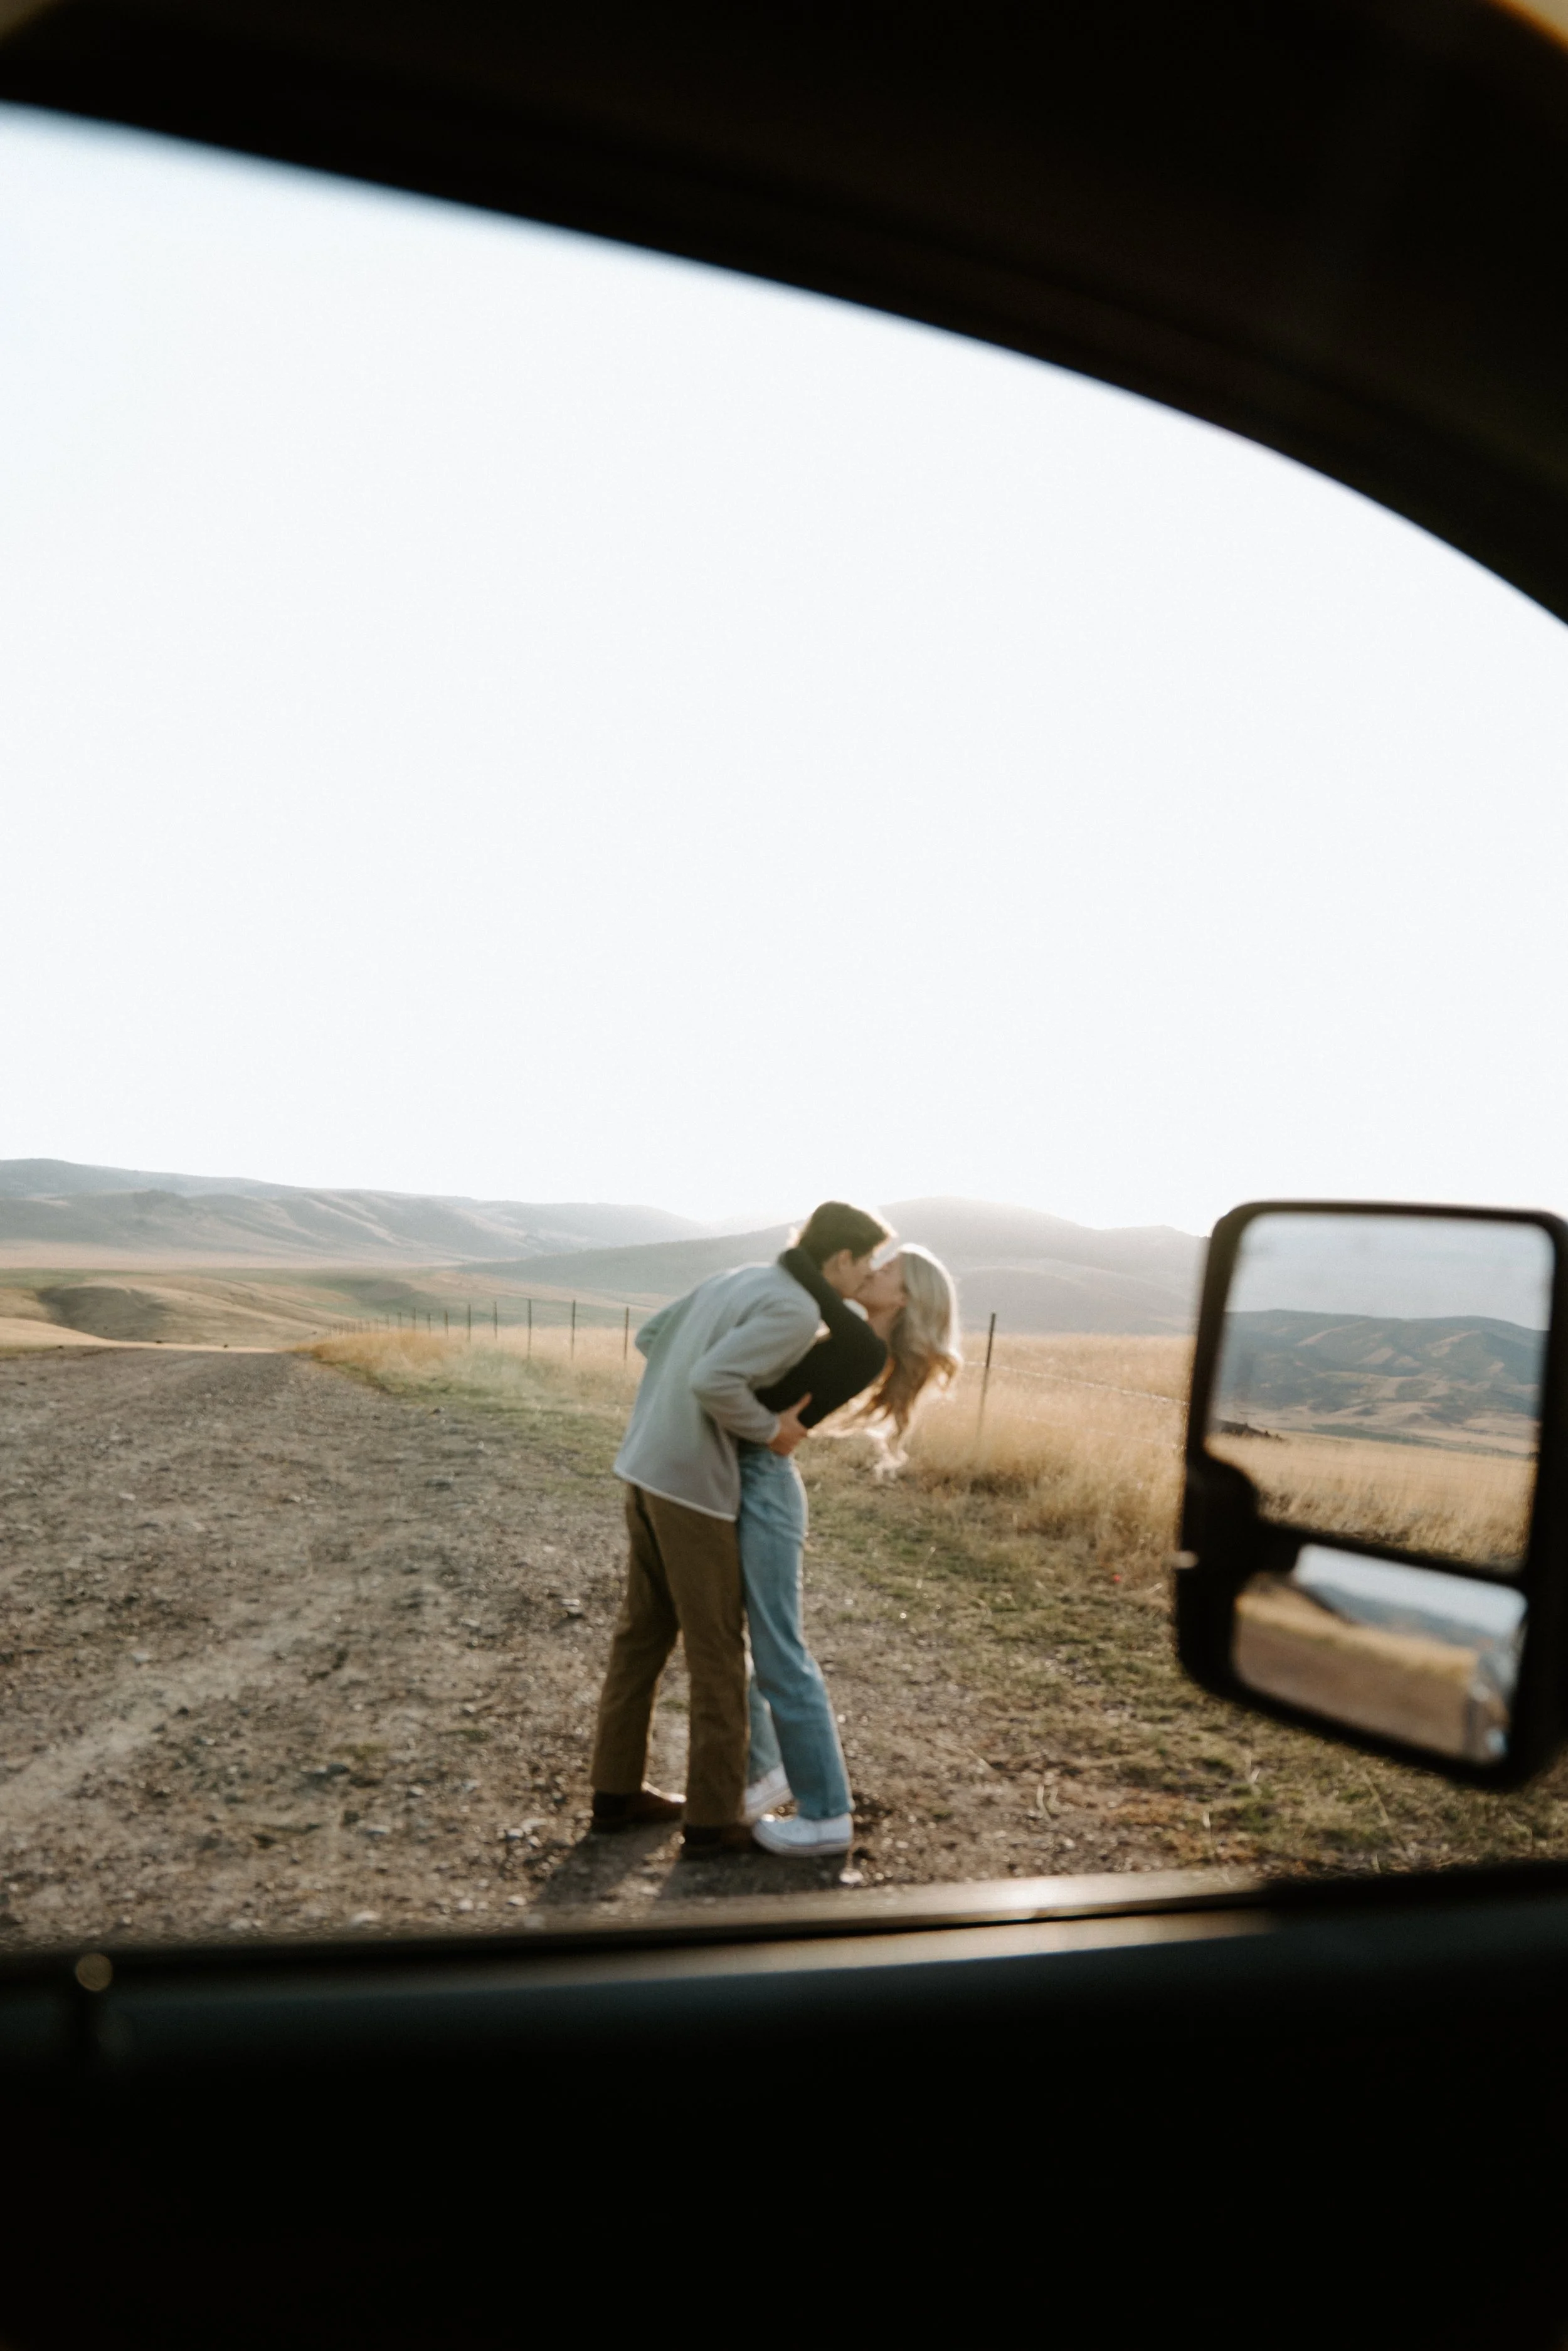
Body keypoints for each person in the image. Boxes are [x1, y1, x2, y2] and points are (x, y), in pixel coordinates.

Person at [587, 1201, 891, 1854]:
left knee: (640, 1636)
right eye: (864, 1261)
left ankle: (613, 1795)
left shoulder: (738, 1278)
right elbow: (712, 1379)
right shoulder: (794, 1310)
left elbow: (653, 1338)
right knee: (718, 1653)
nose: (867, 1274)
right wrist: (770, 1427)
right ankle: (712, 1820)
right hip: (693, 1488)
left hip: (642, 1466)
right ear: (838, 1258)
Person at [739, 1242, 963, 1855]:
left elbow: (801, 1268)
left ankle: (826, 1811)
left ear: (906, 1297)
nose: (871, 1269)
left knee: (779, 1649)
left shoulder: (862, 1346)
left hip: (765, 1488)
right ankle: (765, 1774)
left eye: (885, 1268)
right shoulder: (858, 1338)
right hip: (754, 1479)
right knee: (747, 1643)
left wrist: (812, 1247)